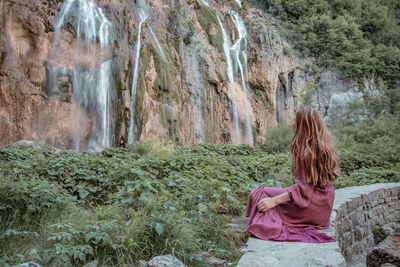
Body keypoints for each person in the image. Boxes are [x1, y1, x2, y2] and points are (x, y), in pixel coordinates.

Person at [245, 106, 339, 243]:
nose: (292, 123)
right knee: (263, 194)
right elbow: (309, 187)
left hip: (311, 207)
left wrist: (274, 201)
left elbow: (304, 190)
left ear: (303, 125)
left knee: (258, 193)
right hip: (323, 207)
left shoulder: (306, 152)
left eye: (295, 120)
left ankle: (264, 224)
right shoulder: (322, 147)